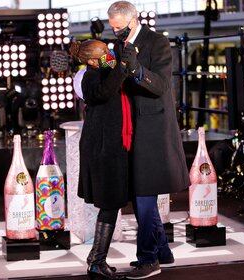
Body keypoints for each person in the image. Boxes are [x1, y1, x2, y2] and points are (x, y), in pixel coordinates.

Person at [108, 1, 190, 279]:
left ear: (133, 21)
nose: (115, 32)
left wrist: (136, 70)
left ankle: (148, 259)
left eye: (119, 28)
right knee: (139, 194)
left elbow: (162, 86)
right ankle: (163, 251)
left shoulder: (157, 43)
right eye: (113, 28)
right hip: (129, 128)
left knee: (144, 195)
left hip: (153, 129)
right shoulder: (118, 46)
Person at [70, 40, 130, 279]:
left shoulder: (102, 72)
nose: (110, 55)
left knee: (111, 203)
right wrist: (121, 66)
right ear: (92, 60)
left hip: (106, 145)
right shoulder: (89, 78)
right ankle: (96, 261)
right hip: (102, 147)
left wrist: (119, 65)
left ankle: (97, 259)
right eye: (104, 53)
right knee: (110, 203)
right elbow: (105, 92)